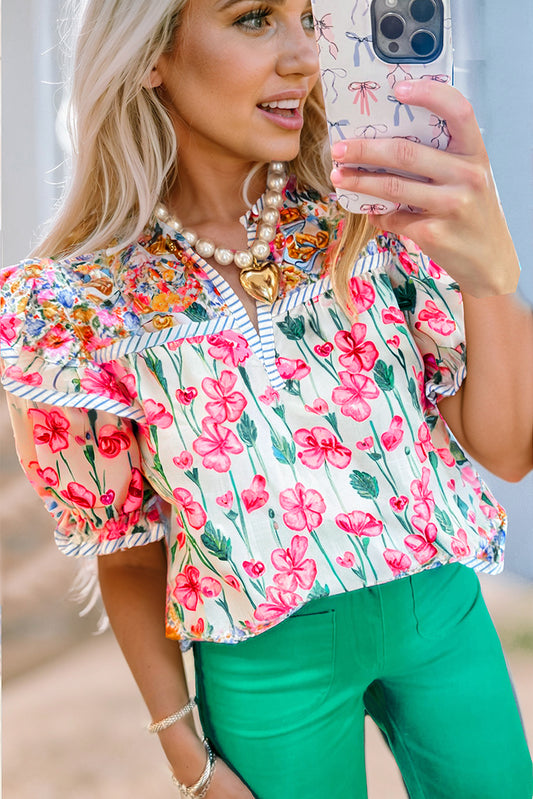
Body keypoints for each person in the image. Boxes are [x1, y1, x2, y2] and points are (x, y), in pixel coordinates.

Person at [1, 1, 533, 797]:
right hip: (263, 664)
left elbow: (508, 451)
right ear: (149, 54)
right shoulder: (77, 304)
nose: (305, 56)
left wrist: (493, 277)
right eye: (255, 18)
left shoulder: (373, 217)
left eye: (311, 18)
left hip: (441, 620)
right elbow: (129, 554)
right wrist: (188, 757)